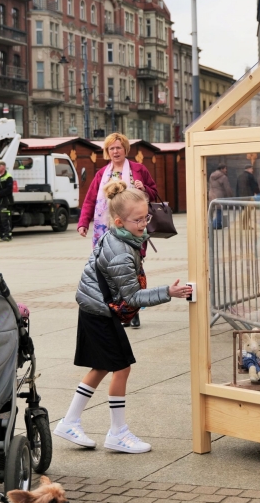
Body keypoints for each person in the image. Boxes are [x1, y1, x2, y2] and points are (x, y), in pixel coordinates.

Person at [54, 180, 190, 454]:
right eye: (138, 219)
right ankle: (117, 433)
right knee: (122, 366)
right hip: (99, 311)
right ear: (119, 220)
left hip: (96, 308)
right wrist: (169, 292)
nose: (144, 224)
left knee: (103, 366)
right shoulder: (120, 251)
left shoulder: (123, 237)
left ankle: (70, 421)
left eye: (145, 217)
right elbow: (133, 297)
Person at [77, 132, 157, 247]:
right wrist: (83, 223)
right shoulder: (101, 174)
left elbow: (154, 193)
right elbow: (90, 200)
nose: (115, 151)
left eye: (118, 148)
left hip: (132, 224)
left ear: (125, 149)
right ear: (107, 151)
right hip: (106, 225)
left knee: (132, 258)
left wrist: (144, 189)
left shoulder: (138, 169)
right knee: (106, 257)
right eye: (112, 148)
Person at [0, 161, 15, 241]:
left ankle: (8, 235)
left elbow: (9, 189)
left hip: (4, 202)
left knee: (5, 219)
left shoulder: (8, 177)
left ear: (3, 167)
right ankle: (2, 234)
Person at [207, 161, 232, 230]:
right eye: (225, 168)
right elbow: (227, 188)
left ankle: (213, 224)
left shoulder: (212, 175)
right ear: (222, 169)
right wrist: (230, 196)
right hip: (219, 195)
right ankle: (217, 224)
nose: (226, 170)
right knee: (219, 210)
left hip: (211, 194)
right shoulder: (223, 177)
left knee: (213, 210)